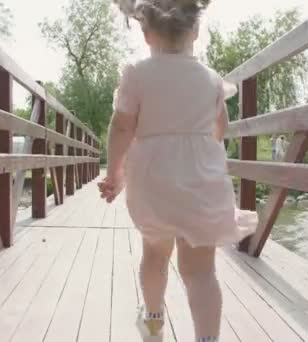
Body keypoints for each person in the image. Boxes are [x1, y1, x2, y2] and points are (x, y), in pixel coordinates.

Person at [100, 1, 257, 341]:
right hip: (202, 184)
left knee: (155, 256)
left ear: (145, 34)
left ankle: (154, 324)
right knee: (200, 272)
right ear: (196, 31)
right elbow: (221, 128)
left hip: (153, 183)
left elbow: (122, 128)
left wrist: (115, 172)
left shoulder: (137, 75)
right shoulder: (210, 79)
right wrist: (204, 155)